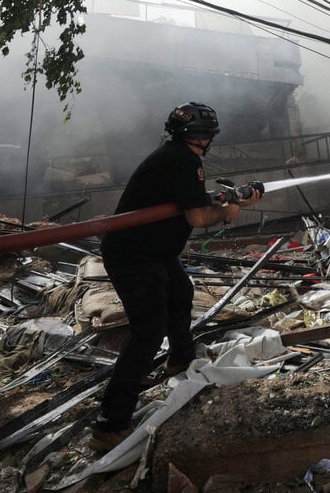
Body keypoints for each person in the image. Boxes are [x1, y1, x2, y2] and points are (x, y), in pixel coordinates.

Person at [89, 101, 261, 452]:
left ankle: (180, 358)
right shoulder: (184, 160)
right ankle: (110, 423)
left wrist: (229, 200)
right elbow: (198, 217)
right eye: (203, 134)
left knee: (180, 291)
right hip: (135, 257)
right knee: (147, 333)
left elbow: (191, 201)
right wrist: (229, 212)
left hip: (152, 252)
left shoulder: (174, 156)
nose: (204, 139)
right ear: (202, 137)